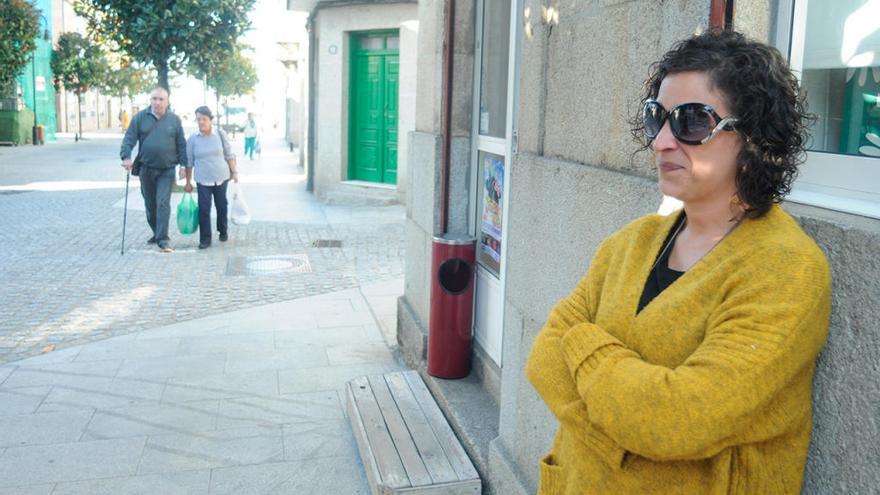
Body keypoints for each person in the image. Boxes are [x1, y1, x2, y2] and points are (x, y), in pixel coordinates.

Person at [525, 30, 830, 494]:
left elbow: (680, 418)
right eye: (657, 118)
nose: (662, 141)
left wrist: (582, 341)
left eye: (691, 121)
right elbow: (542, 359)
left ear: (752, 136)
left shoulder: (785, 270)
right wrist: (624, 431)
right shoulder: (631, 243)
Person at [120, 87, 187, 253]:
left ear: (167, 101)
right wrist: (126, 157)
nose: (157, 102)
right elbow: (129, 139)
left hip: (167, 169)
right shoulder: (140, 118)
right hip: (146, 168)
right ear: (150, 100)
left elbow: (181, 144)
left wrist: (184, 166)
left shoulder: (174, 120)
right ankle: (157, 231)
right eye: (154, 99)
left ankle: (163, 239)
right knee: (150, 205)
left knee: (163, 203)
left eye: (161, 99)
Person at [182, 106, 239, 249]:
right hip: (202, 179)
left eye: (204, 119)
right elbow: (189, 162)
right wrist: (188, 182)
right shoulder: (193, 139)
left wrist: (235, 172)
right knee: (204, 209)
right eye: (198, 119)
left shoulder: (220, 134)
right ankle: (205, 239)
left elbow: (229, 154)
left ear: (211, 120)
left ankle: (222, 230)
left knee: (221, 206)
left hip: (221, 177)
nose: (201, 122)